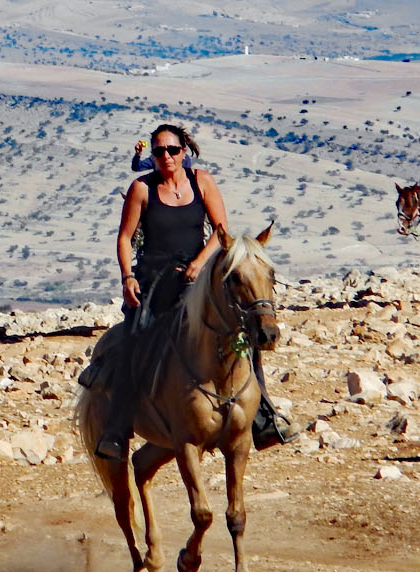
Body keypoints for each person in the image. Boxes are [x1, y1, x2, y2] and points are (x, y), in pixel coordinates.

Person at [96, 124, 288, 461]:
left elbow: (221, 230)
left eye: (172, 150)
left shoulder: (202, 181)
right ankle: (116, 428)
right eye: (158, 152)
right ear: (152, 156)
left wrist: (200, 262)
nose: (166, 157)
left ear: (184, 151)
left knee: (239, 333)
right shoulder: (142, 189)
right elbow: (125, 238)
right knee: (134, 338)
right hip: (152, 280)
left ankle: (263, 417)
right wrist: (127, 277)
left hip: (194, 278)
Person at [131, 137, 198, 172]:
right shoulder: (155, 157)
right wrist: (138, 154)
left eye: (172, 150)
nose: (166, 155)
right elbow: (136, 167)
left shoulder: (185, 160)